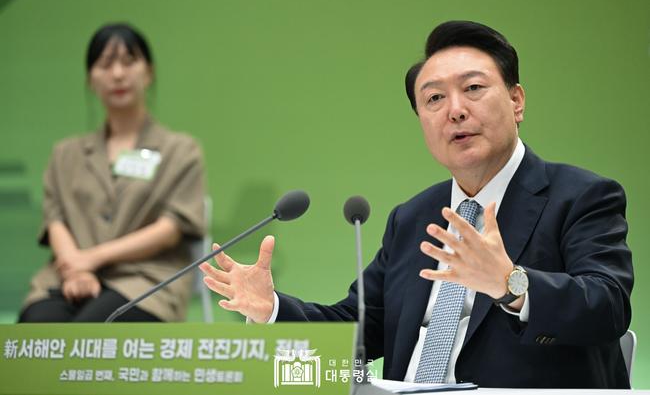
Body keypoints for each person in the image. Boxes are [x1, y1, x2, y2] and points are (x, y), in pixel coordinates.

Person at [199, 21, 633, 388]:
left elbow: (609, 307)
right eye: (434, 99)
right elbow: (361, 326)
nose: (455, 111)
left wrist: (510, 284)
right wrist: (273, 309)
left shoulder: (581, 196)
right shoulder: (412, 218)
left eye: (473, 88)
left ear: (516, 100)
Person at [19, 23, 206, 322]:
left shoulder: (180, 150)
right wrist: (76, 268)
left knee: (95, 330)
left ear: (149, 72)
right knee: (39, 325)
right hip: (65, 277)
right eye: (105, 64)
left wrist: (92, 259)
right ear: (90, 78)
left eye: (129, 61)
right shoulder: (65, 154)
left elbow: (170, 229)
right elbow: (55, 220)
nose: (118, 74)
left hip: (146, 280)